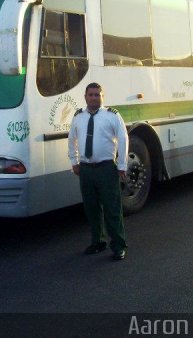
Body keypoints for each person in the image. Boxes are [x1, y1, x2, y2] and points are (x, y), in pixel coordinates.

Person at [68, 82, 129, 261]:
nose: (94, 97)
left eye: (97, 94)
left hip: (106, 169)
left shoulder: (112, 116)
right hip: (86, 170)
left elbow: (123, 139)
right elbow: (72, 139)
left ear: (102, 96)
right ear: (85, 97)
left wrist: (122, 165)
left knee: (112, 209)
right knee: (91, 209)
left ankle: (118, 246)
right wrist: (74, 161)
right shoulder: (78, 116)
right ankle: (98, 242)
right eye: (91, 94)